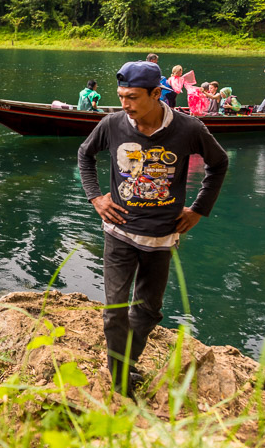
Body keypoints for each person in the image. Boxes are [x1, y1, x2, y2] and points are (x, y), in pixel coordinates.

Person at [77, 61, 228, 397]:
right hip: (118, 233)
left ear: (156, 94)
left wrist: (200, 209)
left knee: (147, 311)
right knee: (115, 311)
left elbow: (218, 165)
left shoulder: (189, 129)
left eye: (131, 97)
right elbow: (85, 155)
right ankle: (119, 385)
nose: (124, 105)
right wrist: (95, 198)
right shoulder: (113, 124)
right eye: (120, 97)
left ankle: (124, 363)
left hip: (162, 236)